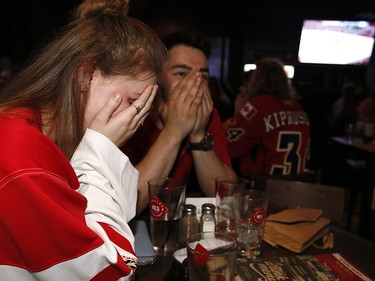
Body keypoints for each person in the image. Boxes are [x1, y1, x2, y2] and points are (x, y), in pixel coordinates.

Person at [0, 0, 167, 280]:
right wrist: (102, 150)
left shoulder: (43, 134)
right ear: (86, 76)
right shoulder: (18, 153)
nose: (134, 120)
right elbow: (113, 270)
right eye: (133, 101)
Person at [121, 30, 236, 214]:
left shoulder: (207, 115)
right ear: (157, 78)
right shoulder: (132, 115)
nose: (195, 84)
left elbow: (225, 195)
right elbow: (127, 201)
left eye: (203, 77)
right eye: (181, 74)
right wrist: (174, 131)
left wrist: (198, 135)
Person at [223, 58, 311, 180]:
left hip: (268, 187)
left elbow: (228, 147)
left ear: (257, 80)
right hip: (299, 186)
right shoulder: (297, 106)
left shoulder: (258, 105)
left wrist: (237, 113)